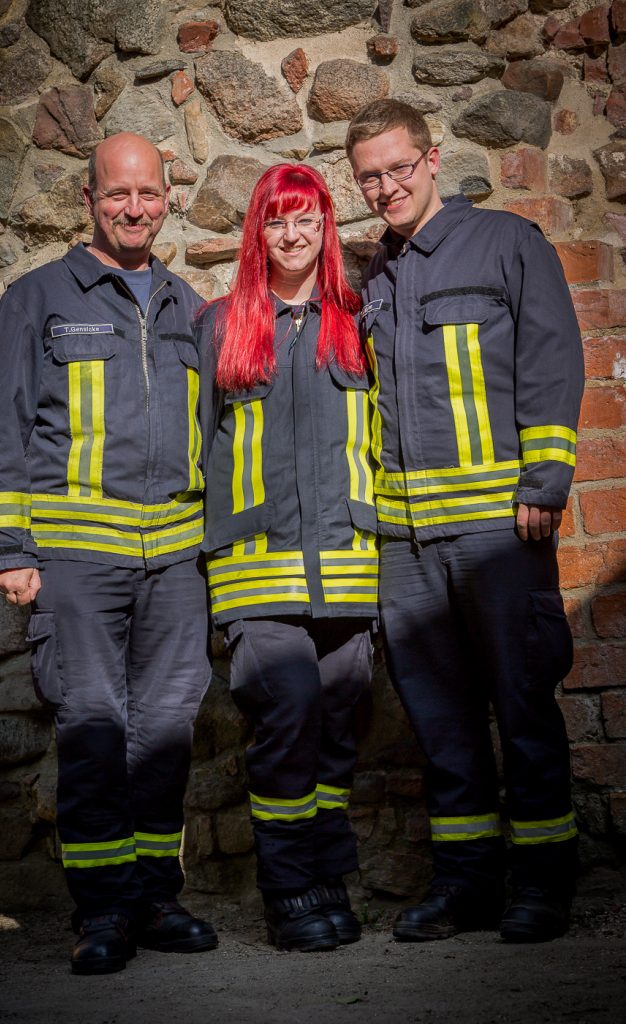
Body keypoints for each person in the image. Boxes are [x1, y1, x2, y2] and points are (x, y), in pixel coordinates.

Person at [0, 132, 217, 974]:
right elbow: (3, 426)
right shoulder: (39, 298)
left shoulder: (191, 307)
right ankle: (103, 911)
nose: (135, 208)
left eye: (149, 193)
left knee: (165, 729)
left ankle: (155, 895)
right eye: (119, 194)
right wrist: (8, 546)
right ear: (90, 199)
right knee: (92, 726)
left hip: (178, 561)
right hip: (77, 557)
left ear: (166, 196)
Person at [345, 99, 584, 943]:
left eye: (398, 167)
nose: (386, 186)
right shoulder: (375, 276)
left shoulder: (508, 245)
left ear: (431, 158)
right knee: (440, 722)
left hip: (498, 533)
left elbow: (552, 356)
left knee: (521, 707)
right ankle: (467, 884)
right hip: (407, 549)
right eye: (369, 175)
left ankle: (544, 884)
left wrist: (546, 480)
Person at [196, 164, 377, 952]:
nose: (293, 235)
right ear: (257, 233)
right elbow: (194, 446)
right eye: (277, 221)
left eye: (307, 220)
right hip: (255, 573)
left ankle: (328, 873)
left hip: (346, 571)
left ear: (326, 228)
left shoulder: (357, 319)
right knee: (291, 710)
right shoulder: (219, 325)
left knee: (340, 723)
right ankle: (289, 888)